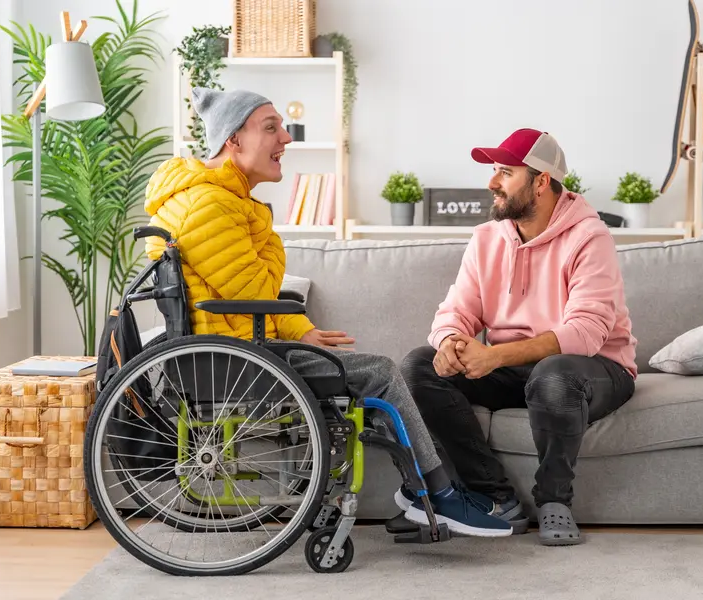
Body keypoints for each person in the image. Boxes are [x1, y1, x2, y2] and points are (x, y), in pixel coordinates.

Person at [142, 87, 512, 538]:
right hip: (235, 360)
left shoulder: (214, 200)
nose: (285, 138)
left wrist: (300, 329)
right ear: (233, 140)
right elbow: (258, 291)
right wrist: (266, 233)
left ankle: (423, 490)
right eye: (271, 128)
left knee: (370, 374)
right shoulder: (211, 205)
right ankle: (439, 494)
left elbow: (250, 291)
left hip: (230, 351)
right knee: (381, 371)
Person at [400, 128, 638, 546]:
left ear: (541, 181)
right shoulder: (486, 238)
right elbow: (457, 309)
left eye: (506, 172)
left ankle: (554, 500)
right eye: (494, 170)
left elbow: (586, 332)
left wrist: (494, 356)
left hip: (595, 370)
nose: (492, 182)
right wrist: (450, 341)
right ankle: (496, 497)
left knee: (554, 374)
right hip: (516, 370)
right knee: (418, 365)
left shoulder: (590, 237)